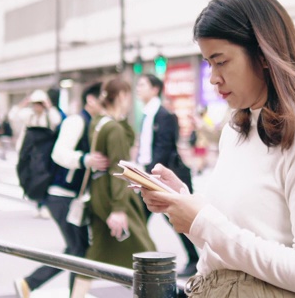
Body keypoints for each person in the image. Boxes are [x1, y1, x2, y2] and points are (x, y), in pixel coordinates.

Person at [141, 0, 295, 297]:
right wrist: (182, 202)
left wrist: (203, 221)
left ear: (263, 55)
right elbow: (227, 249)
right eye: (208, 63)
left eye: (221, 61)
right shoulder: (236, 129)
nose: (213, 77)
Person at [14, 82, 109, 298]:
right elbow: (59, 153)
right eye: (104, 100)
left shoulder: (93, 123)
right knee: (79, 250)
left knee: (77, 248)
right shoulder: (77, 121)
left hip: (69, 196)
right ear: (91, 100)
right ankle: (34, 284)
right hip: (60, 195)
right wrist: (85, 159)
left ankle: (30, 284)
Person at [70, 77, 156, 298]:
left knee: (97, 250)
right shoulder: (114, 129)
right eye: (127, 96)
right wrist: (118, 209)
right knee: (148, 254)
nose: (129, 101)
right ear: (120, 96)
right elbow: (119, 171)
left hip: (98, 194)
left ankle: (76, 295)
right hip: (113, 196)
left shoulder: (98, 122)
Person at [135, 73, 200, 277]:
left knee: (174, 216)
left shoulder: (164, 115)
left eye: (142, 84)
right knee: (140, 217)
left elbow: (164, 148)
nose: (138, 88)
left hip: (159, 175)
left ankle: (195, 258)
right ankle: (138, 259)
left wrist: (148, 174)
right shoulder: (147, 115)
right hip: (148, 173)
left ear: (155, 89)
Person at [10, 89, 63, 218]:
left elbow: (57, 120)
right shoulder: (28, 115)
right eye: (35, 103)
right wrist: (24, 102)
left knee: (44, 178)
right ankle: (37, 203)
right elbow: (13, 115)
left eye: (40, 103)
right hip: (29, 153)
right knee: (29, 177)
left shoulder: (49, 115)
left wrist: (49, 105)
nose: (37, 106)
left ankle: (43, 204)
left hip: (45, 154)